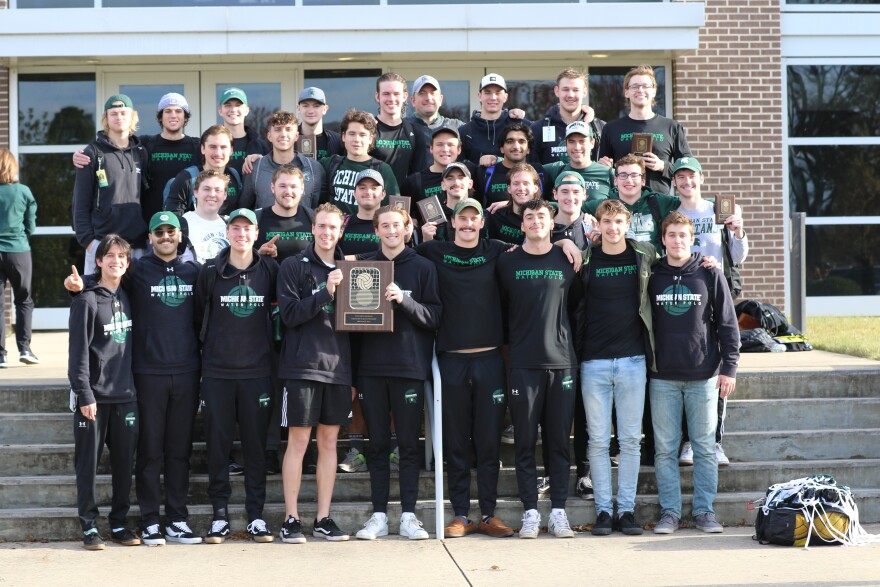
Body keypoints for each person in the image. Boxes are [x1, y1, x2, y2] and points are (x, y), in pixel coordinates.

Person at [66, 211, 203, 546]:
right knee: (140, 455)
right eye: (159, 232)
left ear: (180, 236)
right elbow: (97, 288)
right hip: (131, 383)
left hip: (165, 379)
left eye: (171, 231)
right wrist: (78, 285)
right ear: (151, 238)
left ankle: (164, 520)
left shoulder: (193, 273)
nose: (166, 236)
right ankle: (127, 523)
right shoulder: (135, 274)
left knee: (168, 453)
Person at [416, 197, 515, 539]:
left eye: (474, 218)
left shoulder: (498, 249)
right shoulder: (434, 251)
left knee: (488, 442)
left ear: (482, 223)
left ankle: (488, 513)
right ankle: (460, 513)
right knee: (456, 442)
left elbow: (538, 245)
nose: (469, 224)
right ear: (453, 222)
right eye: (463, 219)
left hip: (489, 359)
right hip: (451, 360)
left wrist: (564, 242)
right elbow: (392, 257)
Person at [496, 198, 582, 539]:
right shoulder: (507, 262)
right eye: (529, 216)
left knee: (559, 442)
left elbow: (577, 304)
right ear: (522, 225)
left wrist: (567, 242)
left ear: (551, 223)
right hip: (523, 364)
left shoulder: (567, 257)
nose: (535, 221)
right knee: (525, 442)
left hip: (562, 362)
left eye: (541, 216)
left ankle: (558, 511)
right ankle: (530, 511)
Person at [649, 211, 739, 535]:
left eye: (682, 235)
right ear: (663, 239)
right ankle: (670, 512)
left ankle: (704, 511)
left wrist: (729, 368)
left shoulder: (709, 273)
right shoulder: (653, 274)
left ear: (692, 239)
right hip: (662, 377)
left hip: (704, 374)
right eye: (671, 235)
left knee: (703, 446)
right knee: (665, 448)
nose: (677, 241)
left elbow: (728, 324)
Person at [355, 205, 441, 541]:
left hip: (408, 367)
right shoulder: (362, 266)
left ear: (407, 228)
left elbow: (434, 317)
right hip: (371, 369)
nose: (391, 231)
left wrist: (403, 300)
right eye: (385, 226)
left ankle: (408, 515)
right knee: (376, 445)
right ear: (376, 230)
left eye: (397, 225)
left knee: (407, 444)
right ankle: (378, 515)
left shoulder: (423, 267)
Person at [194, 208, 279, 544]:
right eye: (236, 228)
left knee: (256, 449)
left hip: (258, 373)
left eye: (248, 229)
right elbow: (199, 316)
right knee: (218, 447)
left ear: (256, 234)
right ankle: (219, 515)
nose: (241, 234)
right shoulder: (211, 272)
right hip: (217, 373)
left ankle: (256, 515)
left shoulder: (270, 269)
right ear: (227, 233)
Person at [576, 199, 657, 537]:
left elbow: (676, 264)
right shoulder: (586, 259)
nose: (612, 228)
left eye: (618, 222)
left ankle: (626, 510)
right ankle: (604, 511)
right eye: (606, 221)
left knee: (629, 441)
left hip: (633, 361)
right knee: (597, 441)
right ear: (598, 224)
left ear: (628, 223)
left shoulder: (644, 255)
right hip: (593, 361)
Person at [277, 203, 352, 543]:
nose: (326, 232)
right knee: (299, 441)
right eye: (321, 226)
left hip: (338, 367)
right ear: (313, 228)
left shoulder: (352, 267)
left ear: (341, 230)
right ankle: (291, 518)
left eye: (332, 227)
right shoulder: (293, 265)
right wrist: (326, 292)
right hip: (302, 366)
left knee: (329, 441)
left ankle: (323, 517)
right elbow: (289, 315)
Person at [671, 156, 748, 468]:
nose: (687, 183)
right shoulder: (671, 213)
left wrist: (739, 230)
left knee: (717, 373)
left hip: (716, 294)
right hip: (685, 298)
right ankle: (689, 441)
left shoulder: (719, 210)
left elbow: (738, 256)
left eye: (692, 177)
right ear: (674, 182)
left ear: (701, 179)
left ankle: (715, 442)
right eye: (681, 178)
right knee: (688, 371)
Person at [68, 234, 140, 550]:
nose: (116, 261)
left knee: (124, 467)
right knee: (88, 466)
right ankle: (89, 527)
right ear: (98, 261)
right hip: (94, 398)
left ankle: (120, 524)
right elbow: (78, 353)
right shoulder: (86, 299)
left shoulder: (128, 295)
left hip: (126, 395)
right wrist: (84, 394)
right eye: (109, 256)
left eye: (121, 257)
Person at [72, 93, 201, 225]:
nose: (173, 115)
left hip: (186, 225)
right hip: (149, 226)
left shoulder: (197, 146)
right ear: (160, 117)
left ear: (185, 116)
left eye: (178, 111)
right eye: (167, 111)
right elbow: (114, 147)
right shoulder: (144, 144)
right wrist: (82, 154)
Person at [72, 94, 149, 275]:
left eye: (123, 112)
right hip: (102, 246)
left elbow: (146, 197)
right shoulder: (92, 153)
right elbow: (80, 202)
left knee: (135, 302)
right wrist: (89, 242)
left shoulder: (141, 152)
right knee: (98, 300)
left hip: (136, 247)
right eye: (113, 113)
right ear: (106, 118)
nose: (119, 117)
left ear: (132, 117)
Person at [597, 65, 691, 194]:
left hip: (659, 205)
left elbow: (688, 168)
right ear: (626, 92)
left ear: (653, 91)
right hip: (622, 206)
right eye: (635, 86)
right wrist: (604, 167)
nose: (640, 90)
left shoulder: (672, 127)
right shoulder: (611, 129)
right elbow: (603, 172)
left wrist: (662, 166)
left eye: (645, 86)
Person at [584, 154, 679, 252]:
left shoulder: (658, 202)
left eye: (634, 176)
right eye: (623, 175)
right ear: (615, 180)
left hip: (652, 265)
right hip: (618, 264)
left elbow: (688, 201)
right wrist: (586, 217)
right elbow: (572, 213)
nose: (629, 180)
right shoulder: (603, 206)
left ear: (643, 181)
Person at [320, 109, 399, 217]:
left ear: (371, 138)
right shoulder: (330, 164)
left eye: (362, 135)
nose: (357, 139)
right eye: (352, 134)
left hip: (369, 231)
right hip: (336, 231)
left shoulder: (382, 169)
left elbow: (393, 211)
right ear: (343, 136)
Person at [0, 148, 38, 367]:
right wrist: (24, 234)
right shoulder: (23, 191)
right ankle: (24, 349)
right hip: (18, 250)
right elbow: (30, 224)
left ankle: (1, 355)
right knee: (24, 300)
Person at [240, 111, 324, 210]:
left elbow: (318, 209)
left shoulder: (314, 168)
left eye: (288, 129)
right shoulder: (255, 168)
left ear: (296, 136)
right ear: (269, 136)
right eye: (278, 129)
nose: (283, 134)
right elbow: (244, 209)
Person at [164, 125, 244, 217]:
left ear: (231, 150)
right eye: (212, 147)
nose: (218, 153)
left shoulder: (234, 176)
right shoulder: (186, 179)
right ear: (202, 149)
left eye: (223, 147)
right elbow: (174, 223)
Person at [531, 68, 605, 164]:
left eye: (576, 90)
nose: (570, 95)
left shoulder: (600, 128)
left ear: (584, 92)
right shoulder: (538, 129)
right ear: (557, 91)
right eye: (565, 89)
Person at [370, 73, 427, 187]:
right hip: (373, 201)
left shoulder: (415, 132)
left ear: (405, 96)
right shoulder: (368, 130)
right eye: (386, 94)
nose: (391, 99)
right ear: (377, 96)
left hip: (403, 202)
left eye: (396, 94)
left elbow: (418, 176)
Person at [460, 74, 531, 164]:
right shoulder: (465, 132)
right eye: (487, 92)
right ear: (479, 96)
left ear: (505, 97)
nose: (493, 97)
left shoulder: (521, 126)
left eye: (498, 93)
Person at [253, 165, 315, 262]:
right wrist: (259, 254)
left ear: (302, 189)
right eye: (282, 186)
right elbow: (241, 258)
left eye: (293, 186)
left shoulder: (313, 218)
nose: (288, 191)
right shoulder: (256, 218)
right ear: (272, 187)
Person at [543, 121, 613, 203]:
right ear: (566, 144)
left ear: (592, 143)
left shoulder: (608, 173)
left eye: (582, 141)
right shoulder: (555, 169)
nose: (577, 147)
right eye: (571, 142)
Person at [475, 122, 544, 207]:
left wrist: (509, 204)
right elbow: (475, 206)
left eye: (521, 141)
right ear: (501, 148)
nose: (516, 146)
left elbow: (549, 205)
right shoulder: (486, 173)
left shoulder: (539, 172)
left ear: (528, 149)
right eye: (510, 141)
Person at [400, 126, 471, 207]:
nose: (445, 149)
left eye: (451, 145)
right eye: (439, 144)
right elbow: (403, 215)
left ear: (459, 149)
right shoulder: (414, 182)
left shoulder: (469, 174)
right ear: (431, 148)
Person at [407, 75, 465, 155]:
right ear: (413, 101)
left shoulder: (458, 127)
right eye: (422, 93)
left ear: (440, 99)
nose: (428, 98)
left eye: (433, 93)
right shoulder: (403, 127)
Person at [218, 87, 270, 176]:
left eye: (238, 105)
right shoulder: (211, 145)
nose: (233, 110)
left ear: (246, 110)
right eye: (228, 105)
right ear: (220, 110)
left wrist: (263, 161)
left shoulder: (261, 146)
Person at [182, 170, 230, 264]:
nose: (212, 194)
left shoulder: (230, 224)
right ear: (195, 192)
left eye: (218, 190)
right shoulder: (182, 223)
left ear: (224, 195)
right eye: (206, 189)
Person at [487, 162, 540, 245]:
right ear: (509, 189)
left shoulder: (545, 217)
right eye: (516, 184)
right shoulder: (496, 216)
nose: (521, 188)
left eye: (526, 183)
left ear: (535, 188)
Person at [420, 162, 474, 243]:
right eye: (450, 178)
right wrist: (427, 241)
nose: (456, 182)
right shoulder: (431, 219)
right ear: (443, 185)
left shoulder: (482, 215)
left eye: (461, 177)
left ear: (470, 184)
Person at [296, 87, 344, 161]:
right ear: (298, 108)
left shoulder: (338, 141)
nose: (311, 111)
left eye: (316, 106)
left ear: (325, 109)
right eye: (305, 106)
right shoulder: (290, 139)